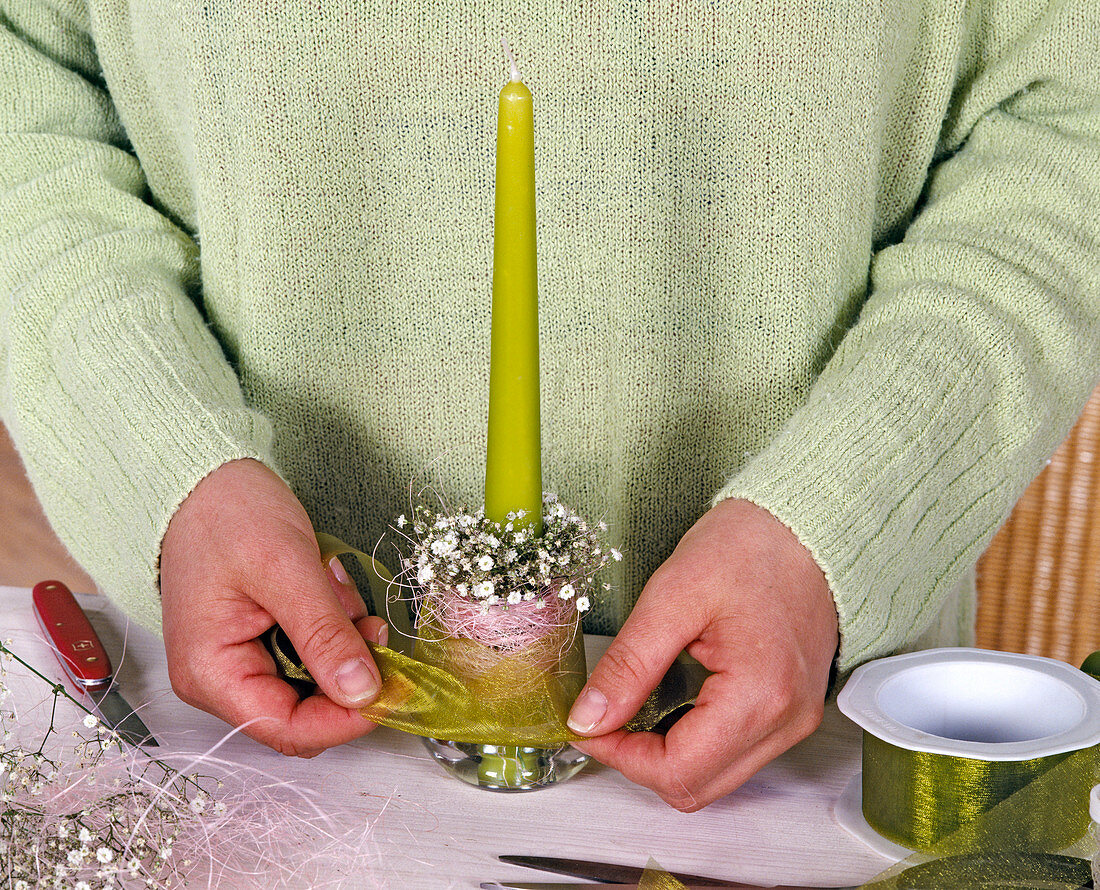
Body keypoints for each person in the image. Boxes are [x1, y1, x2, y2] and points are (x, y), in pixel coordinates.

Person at [3, 1, 1098, 811]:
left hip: (802, 751)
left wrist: (850, 504)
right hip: (231, 723)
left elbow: (1066, 111)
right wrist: (154, 447)